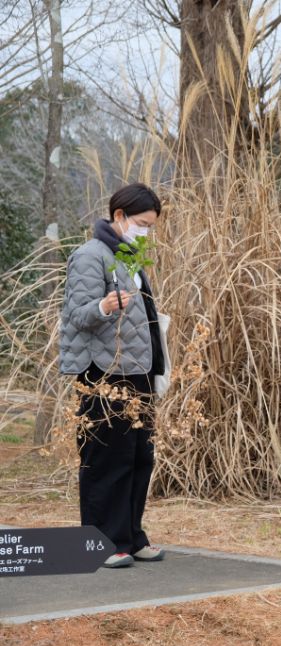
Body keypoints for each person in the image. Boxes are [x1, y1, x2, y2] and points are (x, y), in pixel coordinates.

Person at [59, 183, 167, 568]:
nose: (146, 232)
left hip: (136, 372)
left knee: (139, 456)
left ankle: (130, 536)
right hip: (102, 372)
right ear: (118, 215)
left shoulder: (129, 255)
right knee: (106, 457)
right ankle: (102, 541)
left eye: (151, 226)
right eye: (141, 223)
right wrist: (104, 306)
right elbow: (77, 316)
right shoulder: (90, 255)